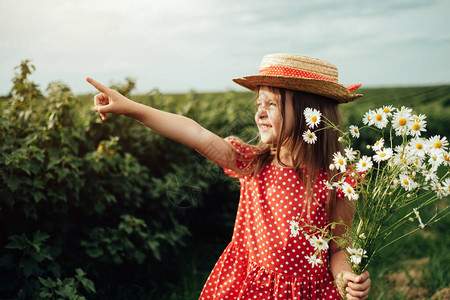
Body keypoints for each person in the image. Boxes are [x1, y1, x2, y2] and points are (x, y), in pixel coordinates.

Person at [86, 53, 371, 299]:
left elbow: (337, 250)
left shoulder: (338, 181)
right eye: (259, 104)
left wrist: (346, 279)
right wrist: (131, 108)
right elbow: (195, 133)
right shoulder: (251, 162)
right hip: (250, 288)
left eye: (271, 104)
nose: (260, 113)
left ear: (311, 113)